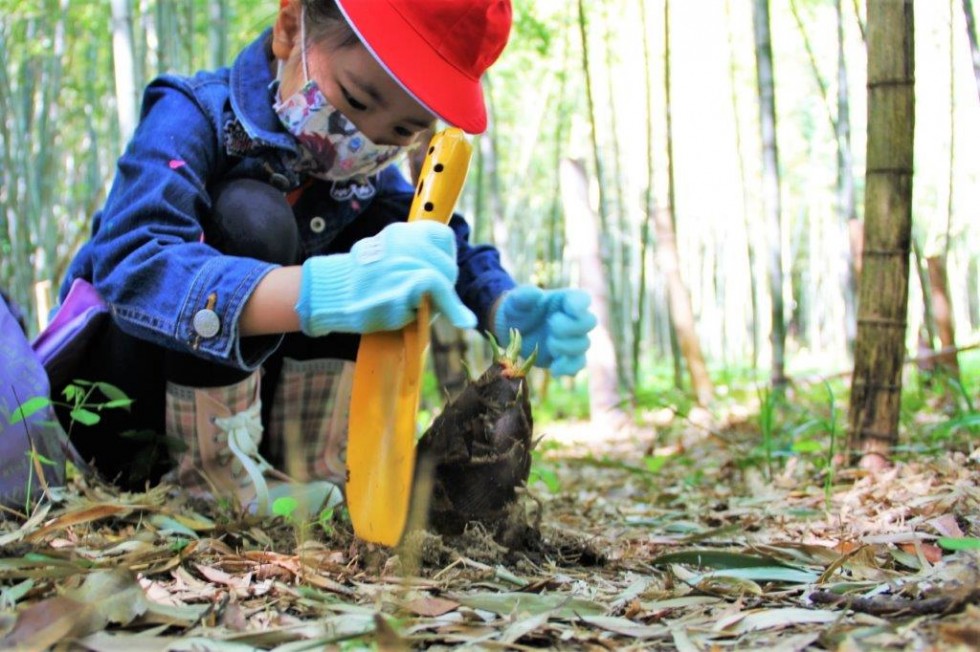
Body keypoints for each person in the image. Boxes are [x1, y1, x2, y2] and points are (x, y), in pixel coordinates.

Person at [54, 0, 597, 516]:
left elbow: (442, 239)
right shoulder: (193, 113)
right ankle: (214, 481)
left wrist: (499, 302)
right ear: (290, 29)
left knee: (394, 237)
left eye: (404, 130)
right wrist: (321, 291)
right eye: (358, 100)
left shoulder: (366, 183)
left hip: (258, 428)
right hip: (124, 409)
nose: (367, 136)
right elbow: (134, 263)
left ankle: (313, 466)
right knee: (251, 215)